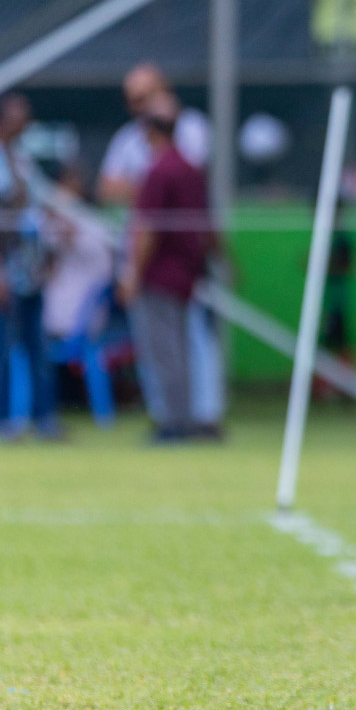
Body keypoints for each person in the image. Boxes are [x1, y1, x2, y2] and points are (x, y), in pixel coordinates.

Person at [100, 62, 225, 435]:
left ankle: (190, 417)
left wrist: (133, 273)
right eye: (133, 100)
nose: (140, 107)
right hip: (164, 263)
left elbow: (154, 217)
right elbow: (107, 189)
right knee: (162, 345)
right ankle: (176, 414)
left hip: (169, 264)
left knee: (184, 342)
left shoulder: (180, 149)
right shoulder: (137, 146)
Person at [0, 93, 60, 440]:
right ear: (1, 118)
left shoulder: (22, 159)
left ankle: (44, 418)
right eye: (20, 111)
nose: (28, 116)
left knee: (37, 347)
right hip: (1, 271)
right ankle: (2, 420)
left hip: (30, 270)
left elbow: (37, 213)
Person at [43, 161, 114, 343]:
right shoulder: (59, 219)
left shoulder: (90, 221)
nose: (76, 184)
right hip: (72, 315)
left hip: (82, 315)